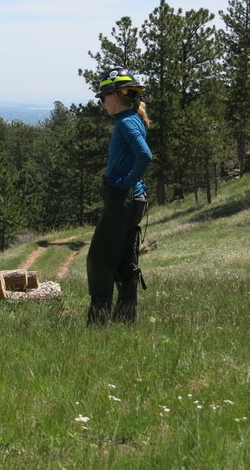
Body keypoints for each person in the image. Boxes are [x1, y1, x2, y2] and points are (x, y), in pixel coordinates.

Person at [86, 67, 152, 325]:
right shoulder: (133, 119)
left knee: (100, 259)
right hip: (132, 199)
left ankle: (98, 323)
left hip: (122, 199)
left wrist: (125, 183)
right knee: (125, 260)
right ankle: (125, 320)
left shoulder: (126, 122)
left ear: (115, 96)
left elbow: (145, 155)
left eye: (103, 97)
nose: (102, 103)